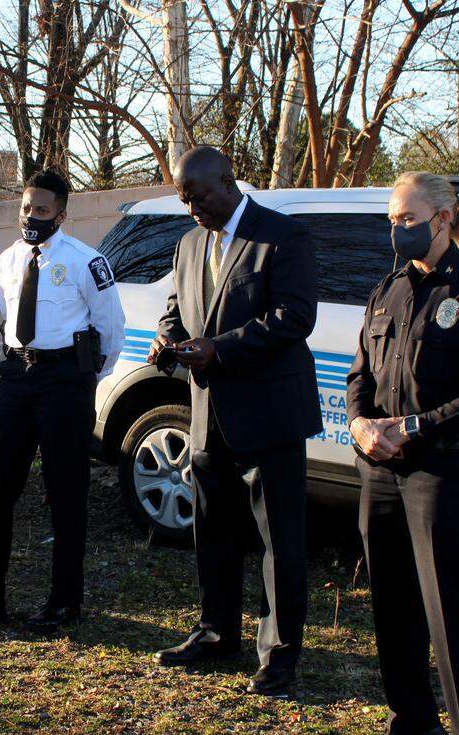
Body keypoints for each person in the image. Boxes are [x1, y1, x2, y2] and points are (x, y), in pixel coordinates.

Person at [346, 171, 459, 735]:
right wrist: (362, 424)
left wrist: (411, 429)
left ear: (443, 219)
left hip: (443, 472)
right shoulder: (387, 290)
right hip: (382, 470)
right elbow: (360, 370)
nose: (397, 230)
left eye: (407, 220)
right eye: (391, 219)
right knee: (393, 607)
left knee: (452, 614)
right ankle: (415, 729)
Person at [147, 146, 320, 697]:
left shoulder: (282, 237)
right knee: (213, 531)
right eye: (183, 199)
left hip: (268, 414)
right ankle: (217, 632)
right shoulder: (190, 242)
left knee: (279, 540)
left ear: (227, 180)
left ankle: (279, 654)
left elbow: (295, 318)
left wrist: (217, 350)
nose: (191, 207)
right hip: (207, 414)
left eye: (197, 196)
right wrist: (168, 339)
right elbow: (177, 307)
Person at [0, 168, 125, 631]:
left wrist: (86, 375)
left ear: (62, 215)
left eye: (42, 211)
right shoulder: (8, 259)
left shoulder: (86, 261)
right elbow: (6, 311)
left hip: (65, 380)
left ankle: (64, 602)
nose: (31, 217)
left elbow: (111, 326)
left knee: (66, 492)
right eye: (26, 208)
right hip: (16, 377)